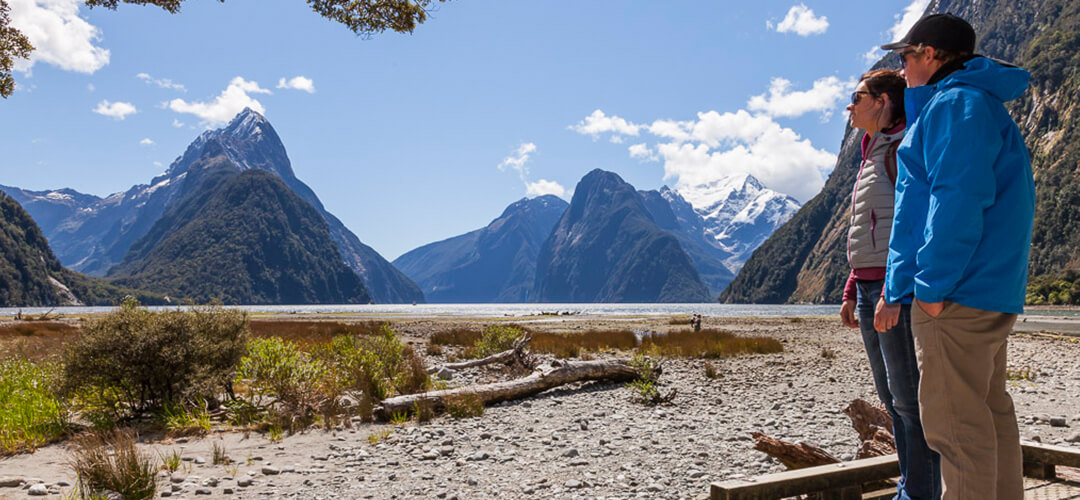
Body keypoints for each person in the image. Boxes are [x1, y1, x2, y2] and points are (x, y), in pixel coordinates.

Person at [877, 13, 1035, 500]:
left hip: (957, 293)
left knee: (956, 431)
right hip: (988, 289)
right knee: (988, 414)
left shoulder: (955, 104)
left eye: (905, 57)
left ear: (930, 55)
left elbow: (956, 200)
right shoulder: (974, 103)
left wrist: (929, 290)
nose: (901, 69)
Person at [840, 68, 941, 500]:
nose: (850, 105)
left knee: (907, 400)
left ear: (883, 101)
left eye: (857, 96)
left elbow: (911, 225)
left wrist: (893, 292)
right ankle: (911, 484)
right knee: (890, 395)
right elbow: (867, 226)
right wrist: (851, 287)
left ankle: (918, 492)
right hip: (868, 288)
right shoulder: (870, 147)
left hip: (891, 289)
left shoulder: (898, 149)